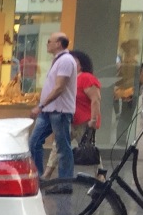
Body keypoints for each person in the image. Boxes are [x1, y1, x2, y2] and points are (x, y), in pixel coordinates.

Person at [29, 32, 78, 185]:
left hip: (59, 111)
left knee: (63, 147)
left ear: (58, 43)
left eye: (49, 41)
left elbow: (59, 88)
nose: (47, 44)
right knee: (34, 142)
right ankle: (38, 177)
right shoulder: (58, 60)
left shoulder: (66, 61)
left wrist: (41, 105)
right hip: (49, 110)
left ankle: (65, 182)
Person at [44, 49, 101, 177]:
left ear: (80, 64)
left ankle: (100, 174)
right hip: (72, 119)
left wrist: (93, 119)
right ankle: (47, 173)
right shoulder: (71, 79)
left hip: (84, 121)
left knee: (88, 149)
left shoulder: (86, 78)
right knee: (58, 145)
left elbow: (95, 99)